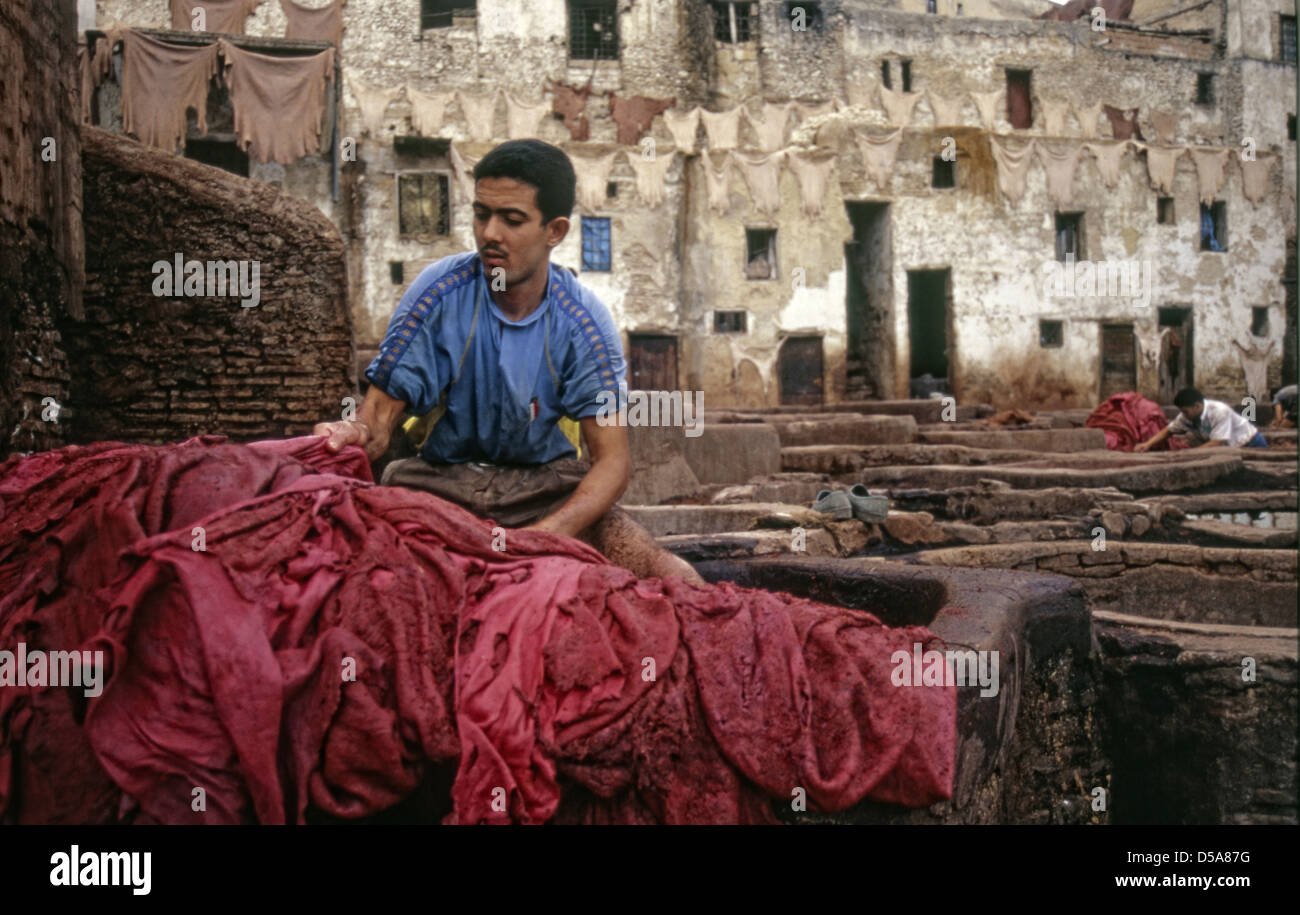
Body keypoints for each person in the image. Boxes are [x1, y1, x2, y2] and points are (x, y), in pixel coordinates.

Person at [313, 139, 702, 584]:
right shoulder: (437, 293)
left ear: (554, 231)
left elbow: (612, 463)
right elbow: (378, 418)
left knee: (669, 575)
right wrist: (354, 430)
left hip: (542, 492)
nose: (490, 233)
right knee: (352, 569)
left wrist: (544, 536)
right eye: (482, 214)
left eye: (512, 220)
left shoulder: (583, 321)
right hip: (437, 488)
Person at [1134, 387, 1268, 452]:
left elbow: (1217, 443)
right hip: (1232, 447)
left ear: (1197, 406)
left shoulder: (1219, 411)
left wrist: (1189, 454)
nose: (1183, 415)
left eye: (1185, 411)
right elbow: (1169, 430)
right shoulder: (1187, 415)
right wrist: (1147, 444)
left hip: (1251, 442)